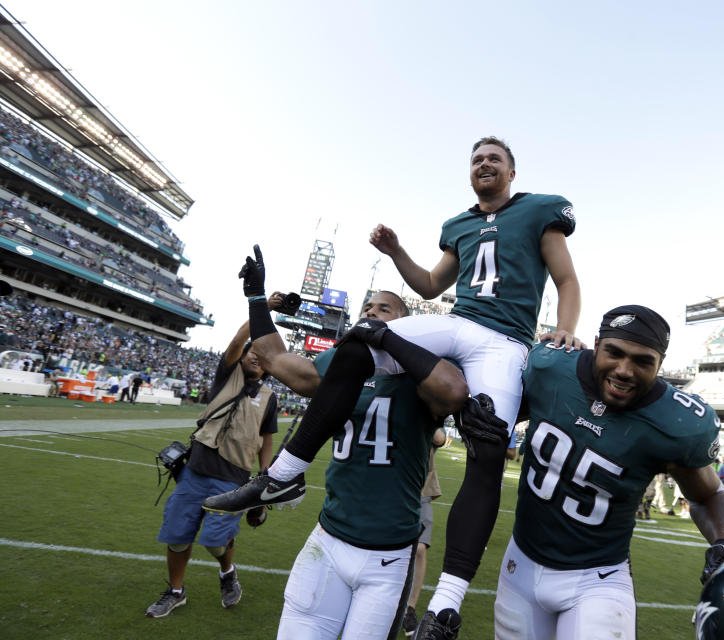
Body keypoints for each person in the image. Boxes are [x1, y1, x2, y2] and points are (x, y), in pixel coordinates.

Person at [206, 136, 581, 637]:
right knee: (361, 338)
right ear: (468, 173)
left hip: (505, 341)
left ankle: (447, 601)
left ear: (513, 173)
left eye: (495, 158)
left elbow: (567, 280)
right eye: (476, 159)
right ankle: (288, 471)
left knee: (489, 444)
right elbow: (429, 287)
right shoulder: (460, 224)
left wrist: (568, 325)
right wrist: (396, 250)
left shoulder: (539, 210)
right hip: (458, 322)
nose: (484, 163)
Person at [207, 278, 466, 637]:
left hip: (387, 554)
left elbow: (452, 395)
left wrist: (394, 342)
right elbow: (275, 358)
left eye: (383, 309)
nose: (371, 313)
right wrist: (256, 298)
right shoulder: (344, 362)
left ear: (407, 322)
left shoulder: (423, 370)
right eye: (367, 308)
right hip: (329, 537)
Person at [493, 305, 724, 640]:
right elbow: (502, 416)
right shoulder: (550, 367)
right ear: (596, 345)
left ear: (660, 365)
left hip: (596, 579)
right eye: (614, 353)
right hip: (520, 563)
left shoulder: (677, 423)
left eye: (642, 361)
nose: (625, 370)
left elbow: (709, 495)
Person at [144, 311, 279, 618]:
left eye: (262, 354)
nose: (256, 356)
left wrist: (265, 474)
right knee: (178, 536)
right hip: (195, 472)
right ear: (243, 356)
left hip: (234, 478)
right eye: (251, 351)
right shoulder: (226, 376)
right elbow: (236, 342)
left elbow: (267, 438)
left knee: (217, 542)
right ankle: (176, 592)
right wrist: (261, 311)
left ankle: (227, 572)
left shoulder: (270, 397)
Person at [402, 427, 449, 637]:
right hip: (390, 485)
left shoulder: (431, 406)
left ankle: (409, 608)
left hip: (420, 488)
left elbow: (439, 437)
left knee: (420, 549)